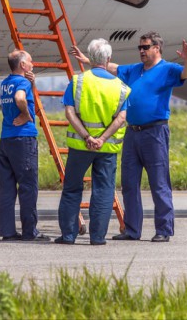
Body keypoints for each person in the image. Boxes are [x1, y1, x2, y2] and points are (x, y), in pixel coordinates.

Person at [72, 32, 187, 242]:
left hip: (155, 132)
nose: (141, 51)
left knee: (159, 182)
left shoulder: (167, 69)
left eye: (145, 47)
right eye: (140, 47)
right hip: (132, 132)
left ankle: (164, 230)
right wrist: (89, 61)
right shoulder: (135, 70)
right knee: (129, 183)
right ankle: (132, 230)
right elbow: (114, 68)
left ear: (157, 48)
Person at [55, 39, 130, 245]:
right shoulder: (121, 87)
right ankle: (97, 238)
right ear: (108, 59)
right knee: (104, 191)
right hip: (107, 148)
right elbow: (121, 118)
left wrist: (88, 137)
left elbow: (69, 112)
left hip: (80, 146)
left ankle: (69, 236)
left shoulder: (78, 81)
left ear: (90, 58)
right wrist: (102, 139)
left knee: (72, 189)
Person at [0, 50, 50, 242]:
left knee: (7, 188)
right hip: (23, 139)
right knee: (28, 187)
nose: (33, 64)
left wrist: (32, 83)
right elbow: (20, 98)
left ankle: (7, 231)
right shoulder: (22, 83)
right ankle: (30, 232)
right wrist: (27, 115)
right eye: (30, 61)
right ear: (22, 66)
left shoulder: (5, 84)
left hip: (6, 139)